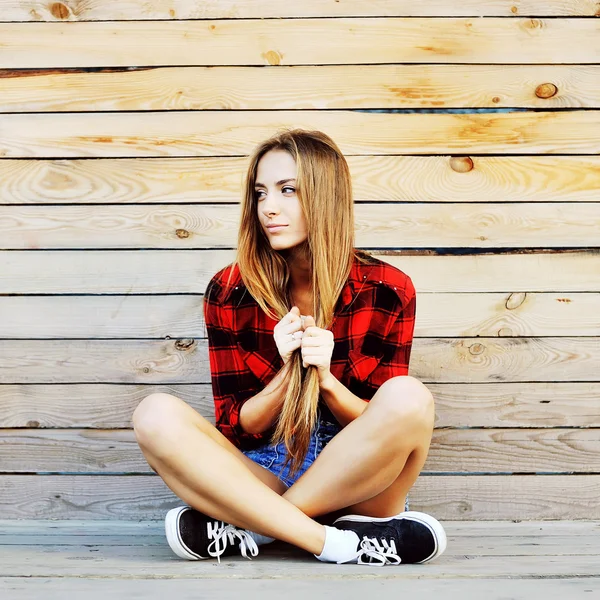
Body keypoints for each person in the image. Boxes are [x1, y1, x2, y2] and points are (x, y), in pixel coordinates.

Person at [132, 129, 446, 566]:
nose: (268, 208)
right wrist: (284, 374)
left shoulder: (388, 289)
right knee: (154, 414)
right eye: (260, 193)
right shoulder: (229, 290)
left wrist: (326, 381)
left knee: (411, 395)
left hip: (361, 484)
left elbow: (393, 423)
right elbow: (236, 428)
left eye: (287, 191)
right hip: (267, 475)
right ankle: (335, 543)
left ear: (325, 197)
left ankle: (257, 530)